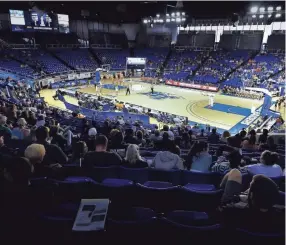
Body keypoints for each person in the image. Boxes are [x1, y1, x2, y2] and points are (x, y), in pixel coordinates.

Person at [220, 170, 284, 234]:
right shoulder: (281, 218)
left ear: (252, 195)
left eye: (250, 187)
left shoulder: (233, 213)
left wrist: (236, 204)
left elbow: (223, 212)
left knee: (235, 172)